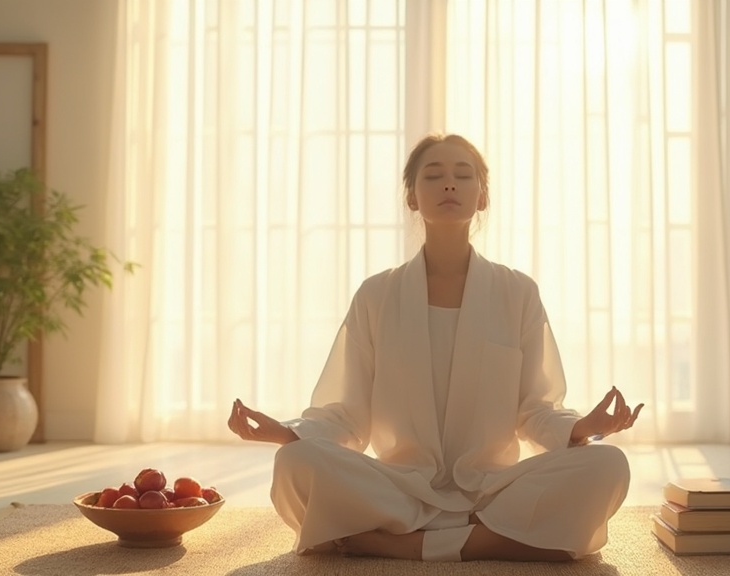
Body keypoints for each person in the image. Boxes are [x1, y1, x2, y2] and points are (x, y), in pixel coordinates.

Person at [228, 133, 644, 562]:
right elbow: (347, 414)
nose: (450, 185)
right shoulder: (377, 294)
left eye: (464, 176)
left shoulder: (516, 292)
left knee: (607, 465)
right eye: (434, 175)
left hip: (493, 491)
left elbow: (535, 409)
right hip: (401, 488)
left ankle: (409, 545)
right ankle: (492, 542)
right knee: (296, 464)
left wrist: (582, 428)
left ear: (481, 197)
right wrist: (289, 433)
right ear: (412, 197)